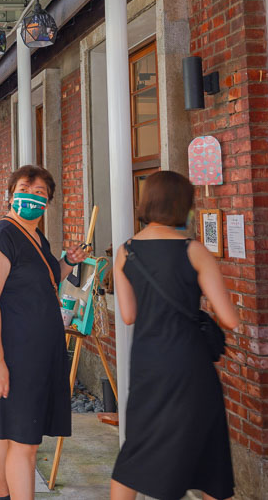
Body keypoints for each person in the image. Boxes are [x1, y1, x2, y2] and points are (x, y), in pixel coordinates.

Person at [110, 171, 239, 500]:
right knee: (210, 450)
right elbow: (229, 319)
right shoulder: (193, 250)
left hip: (147, 362)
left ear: (147, 202)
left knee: (139, 446)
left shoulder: (126, 251)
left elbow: (128, 315)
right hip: (188, 363)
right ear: (185, 206)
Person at [0, 165, 88, 500]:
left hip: (38, 352)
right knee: (25, 444)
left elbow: (46, 277)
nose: (33, 196)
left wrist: (68, 261)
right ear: (11, 194)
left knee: (8, 435)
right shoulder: (1, 236)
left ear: (48, 202)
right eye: (26, 188)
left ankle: (1, 494)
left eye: (41, 193)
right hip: (15, 354)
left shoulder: (37, 237)